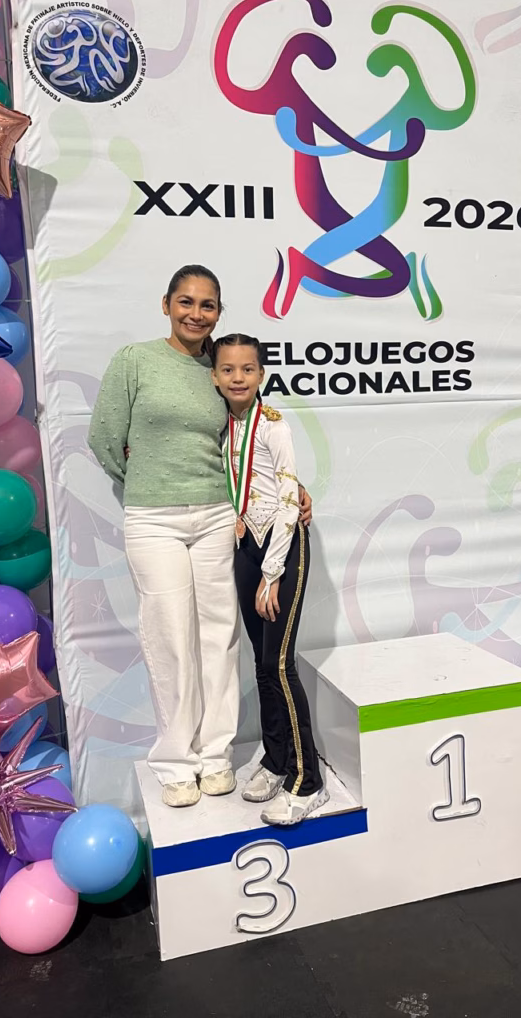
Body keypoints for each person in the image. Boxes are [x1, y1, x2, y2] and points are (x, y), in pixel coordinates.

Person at [87, 265, 312, 808]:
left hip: (217, 517)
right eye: (185, 302)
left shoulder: (221, 365)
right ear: (166, 304)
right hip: (153, 519)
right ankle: (175, 760)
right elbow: (103, 439)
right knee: (168, 636)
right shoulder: (136, 361)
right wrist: (145, 482)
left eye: (207, 305)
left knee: (219, 636)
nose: (196, 313)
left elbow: (247, 437)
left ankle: (215, 755)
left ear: (219, 312)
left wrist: (292, 487)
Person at [211, 333, 328, 825]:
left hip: (281, 550)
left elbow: (285, 500)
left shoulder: (273, 425)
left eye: (247, 369)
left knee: (280, 665)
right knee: (261, 665)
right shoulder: (220, 424)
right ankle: (277, 759)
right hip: (245, 544)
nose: (238, 378)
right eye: (228, 370)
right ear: (215, 376)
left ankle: (309, 780)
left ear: (261, 374)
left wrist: (271, 575)